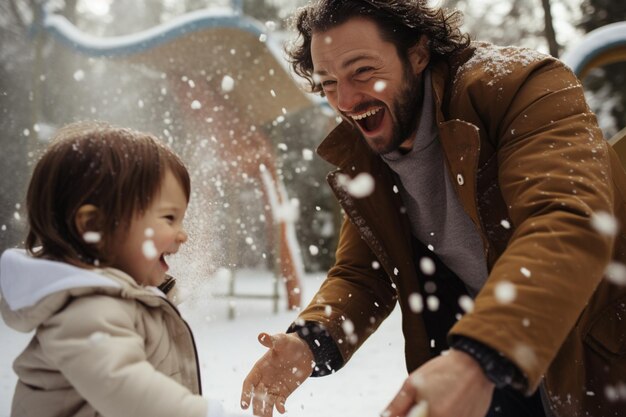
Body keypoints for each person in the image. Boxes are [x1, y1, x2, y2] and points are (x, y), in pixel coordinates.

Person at [240, 1, 626, 417]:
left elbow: (567, 220)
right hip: (490, 357)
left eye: (363, 71)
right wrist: (310, 341)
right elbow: (362, 273)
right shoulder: (371, 155)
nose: (346, 100)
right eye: (329, 82)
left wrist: (480, 355)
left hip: (595, 349)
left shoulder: (521, 88)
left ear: (418, 54)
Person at [0, 122, 235, 417]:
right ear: (93, 227)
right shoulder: (88, 310)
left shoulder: (118, 301)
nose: (182, 234)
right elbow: (130, 392)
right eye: (169, 218)